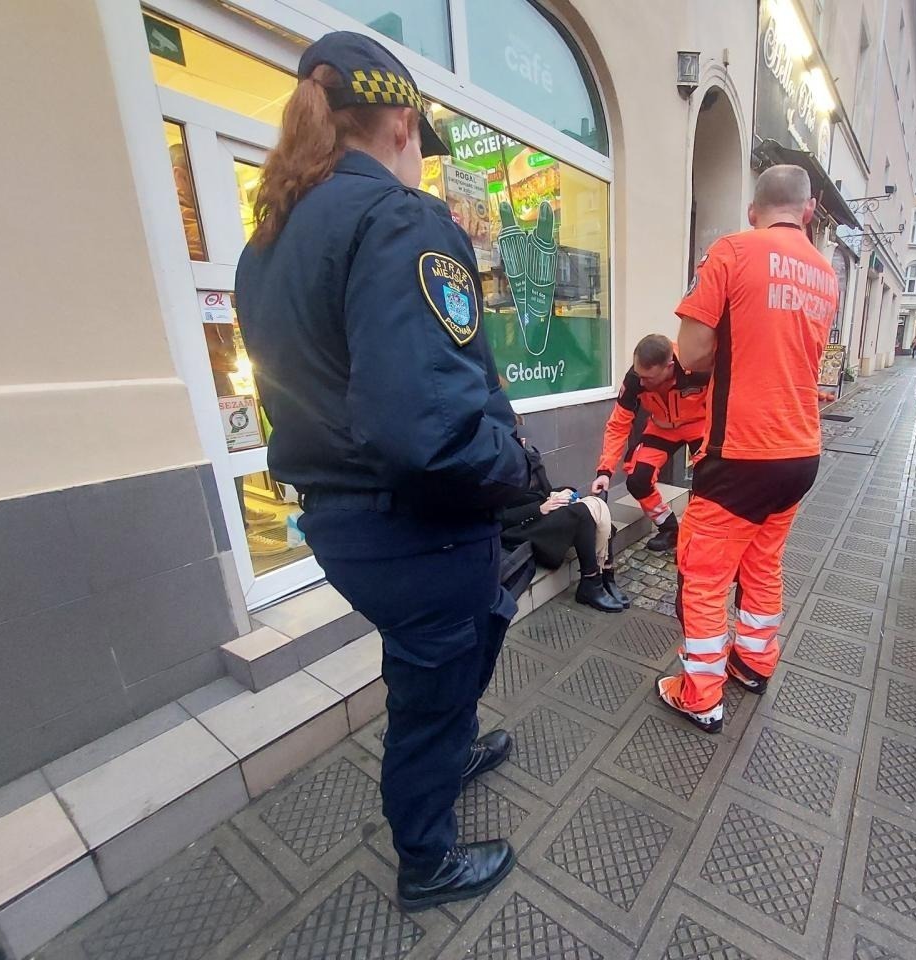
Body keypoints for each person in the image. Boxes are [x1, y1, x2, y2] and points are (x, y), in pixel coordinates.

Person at [234, 32, 528, 908]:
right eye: (420, 144)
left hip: (347, 517)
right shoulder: (399, 219)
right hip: (415, 523)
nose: (422, 164)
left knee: (457, 647)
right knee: (428, 688)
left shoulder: (270, 242)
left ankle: (452, 749)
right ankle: (426, 859)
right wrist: (517, 464)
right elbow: (426, 430)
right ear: (401, 123)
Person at [656, 165, 838, 733]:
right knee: (763, 561)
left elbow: (689, 352)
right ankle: (755, 662)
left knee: (705, 573)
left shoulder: (731, 251)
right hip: (800, 449)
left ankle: (700, 692)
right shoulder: (826, 273)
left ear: (754, 210)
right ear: (808, 212)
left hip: (740, 450)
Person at [591, 334, 709, 552]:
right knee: (637, 480)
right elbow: (618, 424)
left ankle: (698, 539)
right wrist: (604, 471)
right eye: (639, 375)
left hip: (700, 425)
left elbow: (728, 399)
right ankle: (670, 529)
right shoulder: (635, 379)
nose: (642, 383)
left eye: (649, 378)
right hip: (661, 427)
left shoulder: (699, 366)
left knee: (708, 482)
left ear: (669, 367)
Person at [502, 443, 629, 612]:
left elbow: (544, 492)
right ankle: (591, 582)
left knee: (594, 508)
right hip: (519, 530)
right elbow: (496, 517)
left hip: (539, 516)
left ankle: (606, 573)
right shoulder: (494, 467)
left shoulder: (528, 454)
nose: (522, 439)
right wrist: (539, 508)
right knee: (583, 513)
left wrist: (564, 493)